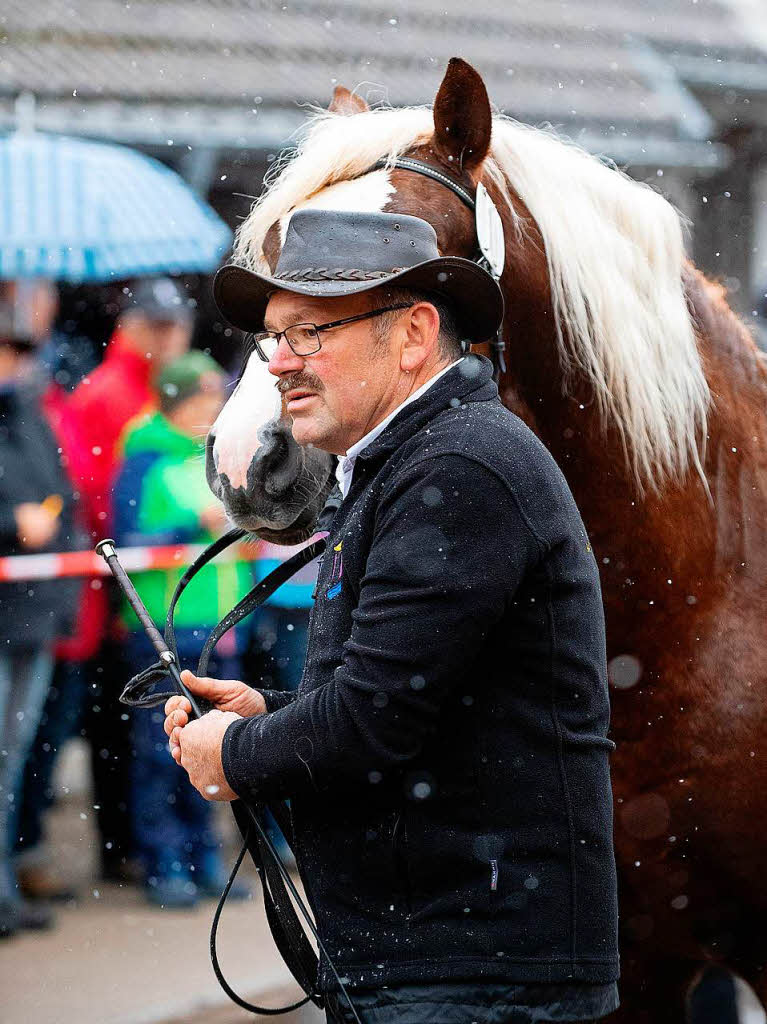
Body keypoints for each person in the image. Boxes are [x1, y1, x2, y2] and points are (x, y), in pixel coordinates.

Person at [164, 210, 620, 1022]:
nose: (278, 365)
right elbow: (418, 705)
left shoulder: (459, 463)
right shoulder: (417, 460)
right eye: (274, 338)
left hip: (475, 970)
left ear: (412, 334)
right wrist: (273, 715)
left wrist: (234, 753)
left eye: (307, 332)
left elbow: (372, 722)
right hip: (444, 958)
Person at [114, 352, 252, 907]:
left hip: (219, 626)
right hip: (163, 632)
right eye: (200, 399)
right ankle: (163, 862)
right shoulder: (144, 461)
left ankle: (204, 858)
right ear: (175, 403)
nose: (211, 410)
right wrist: (186, 526)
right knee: (160, 752)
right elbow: (126, 541)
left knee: (215, 746)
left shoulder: (217, 456)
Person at [67, 276, 193, 882]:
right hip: (113, 586)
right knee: (120, 730)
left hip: (132, 586)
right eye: (162, 326)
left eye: (177, 325)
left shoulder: (154, 390)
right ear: (134, 327)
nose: (172, 337)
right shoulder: (106, 394)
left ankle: (132, 849)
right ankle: (125, 849)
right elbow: (98, 500)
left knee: (130, 729)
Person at [0, 282, 80, 937]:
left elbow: (61, 494)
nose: (14, 359)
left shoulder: (28, 410)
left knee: (12, 757)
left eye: (19, 349)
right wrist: (9, 520)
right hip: (8, 609)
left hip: (31, 612)